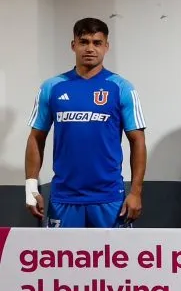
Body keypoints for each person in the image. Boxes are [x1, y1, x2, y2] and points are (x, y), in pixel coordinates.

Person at [24, 17, 147, 228]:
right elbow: (36, 138)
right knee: (64, 261)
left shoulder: (121, 88)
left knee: (113, 260)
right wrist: (31, 188)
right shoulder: (52, 87)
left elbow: (138, 142)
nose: (90, 48)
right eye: (84, 42)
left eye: (97, 42)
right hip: (64, 198)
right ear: (73, 45)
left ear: (106, 47)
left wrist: (135, 192)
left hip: (109, 198)